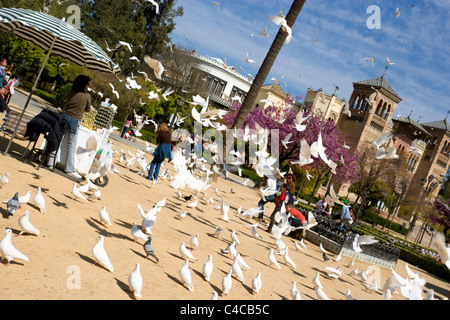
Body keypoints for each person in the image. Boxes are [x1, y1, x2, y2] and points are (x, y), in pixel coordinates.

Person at [48, 75, 91, 179]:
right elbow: (88, 109)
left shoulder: (70, 92)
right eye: (88, 83)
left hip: (63, 117)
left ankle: (50, 162)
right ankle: (69, 168)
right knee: (71, 145)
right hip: (75, 120)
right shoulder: (87, 96)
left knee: (57, 139)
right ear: (85, 84)